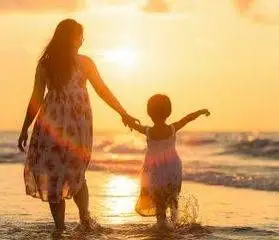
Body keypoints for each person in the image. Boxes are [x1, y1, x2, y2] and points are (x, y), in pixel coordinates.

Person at [17, 19, 137, 233]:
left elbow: (36, 99)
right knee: (76, 173)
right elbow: (102, 90)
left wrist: (25, 127)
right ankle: (84, 220)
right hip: (76, 125)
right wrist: (122, 113)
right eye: (80, 35)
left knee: (54, 174)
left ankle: (61, 228)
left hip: (51, 125)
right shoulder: (83, 62)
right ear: (74, 38)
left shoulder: (47, 63)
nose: (82, 40)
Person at [128, 94, 210, 228]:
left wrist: (127, 120)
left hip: (155, 172)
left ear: (149, 113)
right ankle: (174, 225)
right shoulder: (172, 128)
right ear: (169, 112)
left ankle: (162, 227)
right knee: (173, 199)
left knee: (159, 203)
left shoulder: (148, 131)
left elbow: (134, 125)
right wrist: (201, 112)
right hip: (173, 169)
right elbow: (187, 118)